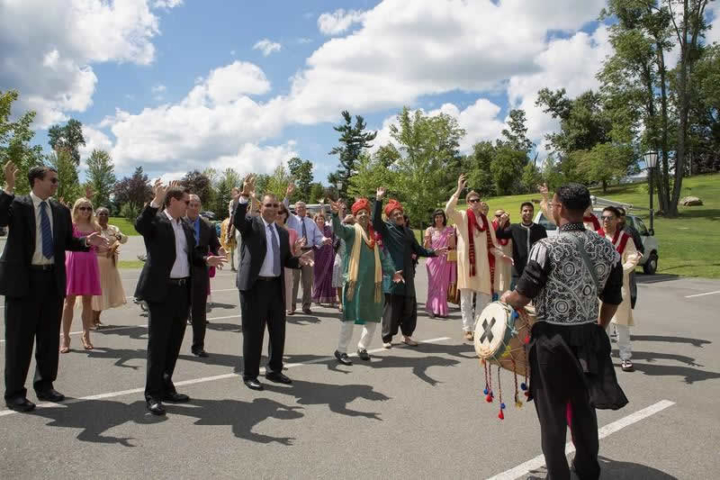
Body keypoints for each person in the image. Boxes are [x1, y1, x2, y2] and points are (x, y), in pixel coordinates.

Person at [501, 183, 627, 480]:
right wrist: (598, 327)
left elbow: (522, 297)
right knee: (584, 409)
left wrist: (507, 298)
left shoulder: (545, 247)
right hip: (587, 337)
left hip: (551, 340)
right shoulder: (607, 247)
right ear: (584, 210)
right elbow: (612, 299)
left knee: (552, 414)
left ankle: (557, 475)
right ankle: (587, 469)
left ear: (557, 208)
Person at [0, 162, 106, 412]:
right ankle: (14, 393)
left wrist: (86, 242)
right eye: (53, 180)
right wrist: (8, 187)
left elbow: (67, 241)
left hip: (51, 280)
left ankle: (45, 385)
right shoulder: (18, 204)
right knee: (19, 340)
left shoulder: (59, 210)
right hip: (23, 282)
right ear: (37, 181)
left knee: (48, 337)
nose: (57, 184)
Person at [135, 181, 226, 416]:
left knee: (174, 343)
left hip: (182, 290)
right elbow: (140, 225)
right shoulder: (157, 221)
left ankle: (166, 386)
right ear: (173, 201)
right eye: (186, 202)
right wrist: (155, 199)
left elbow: (193, 253)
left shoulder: (184, 225)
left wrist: (206, 260)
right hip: (161, 291)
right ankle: (152, 394)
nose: (189, 206)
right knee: (158, 345)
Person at [234, 175, 311, 391]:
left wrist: (300, 261)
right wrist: (244, 195)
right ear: (260, 208)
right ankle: (250, 374)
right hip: (253, 287)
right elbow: (238, 220)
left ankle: (274, 370)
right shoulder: (251, 224)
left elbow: (286, 260)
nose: (272, 209)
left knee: (278, 331)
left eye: (275, 206)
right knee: (253, 332)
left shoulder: (281, 232)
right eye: (268, 205)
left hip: (275, 287)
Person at [330, 198, 402, 365]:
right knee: (349, 318)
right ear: (355, 217)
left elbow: (383, 258)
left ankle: (362, 347)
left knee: (372, 317)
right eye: (359, 213)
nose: (363, 215)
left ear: (369, 216)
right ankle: (341, 350)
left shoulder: (373, 237)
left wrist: (393, 272)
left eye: (366, 213)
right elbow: (338, 230)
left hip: (372, 284)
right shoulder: (350, 231)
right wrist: (335, 214)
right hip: (354, 283)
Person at [373, 188, 443, 348]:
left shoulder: (409, 232)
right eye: (394, 214)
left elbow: (418, 250)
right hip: (394, 275)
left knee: (409, 308)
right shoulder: (386, 230)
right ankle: (387, 338)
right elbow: (375, 220)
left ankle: (406, 335)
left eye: (400, 214)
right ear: (389, 218)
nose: (398, 216)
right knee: (392, 308)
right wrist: (378, 200)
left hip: (408, 274)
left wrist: (433, 252)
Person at [446, 174, 510, 341]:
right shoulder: (462, 216)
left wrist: (502, 255)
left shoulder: (487, 222)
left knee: (483, 297)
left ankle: (478, 327)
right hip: (468, 263)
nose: (475, 203)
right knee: (466, 297)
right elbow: (448, 211)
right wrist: (459, 189)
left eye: (477, 200)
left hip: (483, 265)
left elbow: (492, 245)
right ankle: (467, 328)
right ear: (468, 203)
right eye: (472, 200)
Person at [601, 206, 642, 372]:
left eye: (609, 217)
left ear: (618, 220)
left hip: (619, 286)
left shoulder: (626, 239)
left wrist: (618, 272)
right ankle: (604, 355)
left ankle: (626, 357)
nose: (605, 220)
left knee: (621, 324)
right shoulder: (597, 236)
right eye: (603, 217)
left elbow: (632, 260)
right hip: (599, 288)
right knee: (601, 324)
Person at [60, 198, 103, 352]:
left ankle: (86, 335)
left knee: (87, 302)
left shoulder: (95, 226)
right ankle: (65, 337)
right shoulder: (70, 225)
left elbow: (99, 248)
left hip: (89, 265)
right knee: (68, 302)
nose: (85, 211)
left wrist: (105, 246)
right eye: (82, 208)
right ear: (76, 209)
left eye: (88, 208)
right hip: (72, 265)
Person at [283, 184, 331, 315]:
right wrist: (288, 195)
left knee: (308, 281)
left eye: (302, 207)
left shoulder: (311, 221)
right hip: (295, 252)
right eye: (298, 208)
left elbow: (317, 236)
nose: (300, 209)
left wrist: (324, 240)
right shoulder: (291, 219)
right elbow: (284, 208)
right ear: (295, 210)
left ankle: (306, 306)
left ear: (306, 209)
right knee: (294, 281)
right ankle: (291, 307)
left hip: (309, 252)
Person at [185, 194, 222, 358]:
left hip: (200, 272)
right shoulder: (178, 223)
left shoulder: (208, 225)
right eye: (191, 204)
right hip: (180, 272)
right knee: (178, 312)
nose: (194, 208)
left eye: (196, 205)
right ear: (185, 205)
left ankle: (198, 346)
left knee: (200, 312)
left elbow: (215, 245)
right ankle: (172, 345)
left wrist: (220, 251)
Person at [495, 202, 548, 288]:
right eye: (525, 211)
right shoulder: (514, 228)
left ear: (533, 212)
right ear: (520, 213)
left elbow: (545, 247)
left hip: (535, 269)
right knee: (519, 296)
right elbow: (499, 235)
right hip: (518, 270)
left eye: (530, 210)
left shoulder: (540, 229)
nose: (528, 213)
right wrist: (502, 222)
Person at [91, 207, 128, 328]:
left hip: (110, 264)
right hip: (97, 263)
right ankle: (91, 319)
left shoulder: (113, 228)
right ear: (96, 215)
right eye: (101, 214)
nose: (103, 216)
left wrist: (118, 237)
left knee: (105, 292)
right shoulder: (93, 228)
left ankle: (97, 318)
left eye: (106, 214)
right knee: (97, 293)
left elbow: (124, 239)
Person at [423, 209, 456, 318]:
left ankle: (441, 309)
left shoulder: (449, 229)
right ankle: (430, 308)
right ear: (434, 218)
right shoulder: (430, 230)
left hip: (445, 260)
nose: (439, 219)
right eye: (437, 217)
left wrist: (450, 237)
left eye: (441, 217)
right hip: (433, 260)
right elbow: (426, 247)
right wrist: (427, 240)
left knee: (443, 285)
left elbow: (452, 246)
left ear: (444, 218)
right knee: (433, 285)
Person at [616, 207, 644, 309]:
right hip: (611, 267)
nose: (620, 217)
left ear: (625, 216)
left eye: (622, 215)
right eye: (617, 215)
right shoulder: (607, 230)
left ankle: (629, 308)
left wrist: (634, 260)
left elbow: (640, 249)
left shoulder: (631, 231)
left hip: (627, 268)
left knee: (630, 292)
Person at [312, 213, 337, 306]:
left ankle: (331, 299)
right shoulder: (313, 230)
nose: (320, 220)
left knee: (329, 276)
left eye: (322, 219)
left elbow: (333, 238)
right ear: (315, 220)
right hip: (317, 255)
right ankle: (317, 298)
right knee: (318, 276)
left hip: (329, 256)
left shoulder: (328, 229)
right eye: (318, 219)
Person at [332, 209, 353, 312]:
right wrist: (343, 220)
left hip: (352, 259)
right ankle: (341, 302)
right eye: (347, 222)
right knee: (339, 282)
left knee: (351, 282)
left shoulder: (355, 230)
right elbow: (336, 230)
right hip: (340, 257)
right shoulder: (340, 230)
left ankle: (349, 303)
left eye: (350, 221)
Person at [491, 209, 513, 293]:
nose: (500, 217)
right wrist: (500, 254)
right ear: (494, 217)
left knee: (507, 285)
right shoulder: (491, 229)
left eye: (502, 215)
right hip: (495, 262)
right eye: (498, 216)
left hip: (508, 263)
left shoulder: (510, 229)